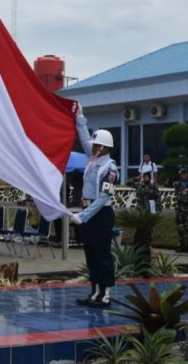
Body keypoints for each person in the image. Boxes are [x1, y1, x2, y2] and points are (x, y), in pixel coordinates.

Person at [71, 106, 118, 309]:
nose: (94, 147)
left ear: (106, 148)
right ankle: (95, 291)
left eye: (98, 145)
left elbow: (103, 198)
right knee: (90, 253)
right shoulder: (93, 160)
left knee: (102, 255)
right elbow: (84, 138)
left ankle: (106, 294)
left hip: (101, 214)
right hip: (89, 213)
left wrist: (83, 215)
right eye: (95, 144)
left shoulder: (110, 168)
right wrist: (80, 116)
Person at [173, 167, 188, 253]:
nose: (183, 176)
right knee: (180, 228)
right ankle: (181, 245)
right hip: (180, 207)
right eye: (182, 174)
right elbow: (167, 183)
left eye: (185, 174)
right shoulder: (178, 184)